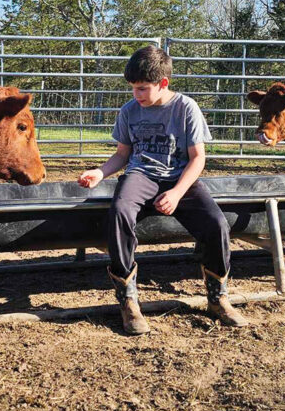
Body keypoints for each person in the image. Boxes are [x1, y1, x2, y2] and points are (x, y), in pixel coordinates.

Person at [77, 46, 249, 335]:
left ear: (163, 83)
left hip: (180, 178)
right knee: (119, 212)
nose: (137, 95)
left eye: (143, 89)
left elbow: (198, 159)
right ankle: (128, 300)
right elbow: (122, 155)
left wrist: (177, 193)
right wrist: (100, 171)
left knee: (217, 224)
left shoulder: (185, 108)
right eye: (133, 89)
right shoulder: (129, 111)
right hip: (141, 174)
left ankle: (218, 298)